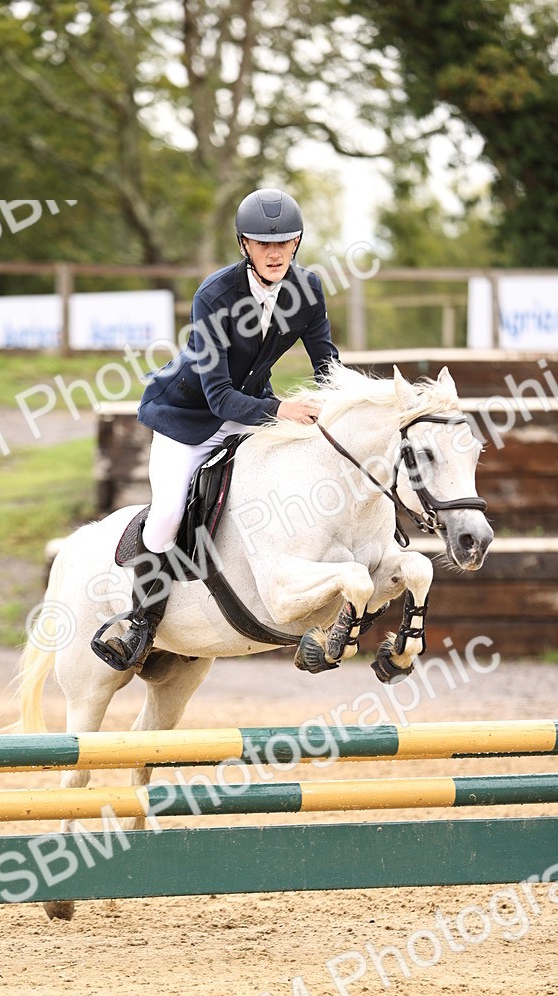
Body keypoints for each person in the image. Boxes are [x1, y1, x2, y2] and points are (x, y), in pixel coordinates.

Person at [91, 187, 340, 671]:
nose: (274, 252)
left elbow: (328, 364)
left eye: (284, 242)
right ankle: (141, 621)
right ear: (243, 245)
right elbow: (218, 397)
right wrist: (281, 408)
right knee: (166, 513)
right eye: (262, 243)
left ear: (297, 243)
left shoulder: (307, 290)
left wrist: (342, 409)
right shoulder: (215, 295)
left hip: (248, 412)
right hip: (190, 418)